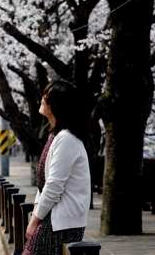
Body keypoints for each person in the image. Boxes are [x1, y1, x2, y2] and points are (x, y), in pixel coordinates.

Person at [22, 80, 91, 255]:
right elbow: (43, 184)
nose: (41, 99)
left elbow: (53, 186)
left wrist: (34, 221)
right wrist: (37, 214)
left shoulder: (66, 139)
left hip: (61, 223)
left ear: (55, 104)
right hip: (51, 219)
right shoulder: (56, 136)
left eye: (46, 96)